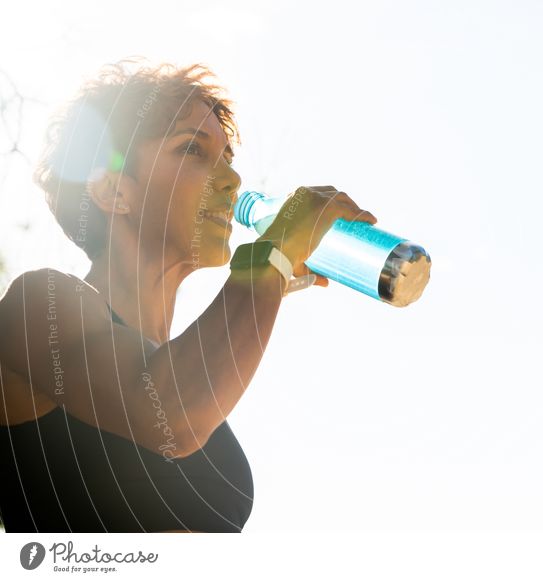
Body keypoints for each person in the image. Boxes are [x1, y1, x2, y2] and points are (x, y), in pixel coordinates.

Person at [0, 59, 376, 532]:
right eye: (193, 149)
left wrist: (271, 278)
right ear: (113, 190)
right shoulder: (39, 304)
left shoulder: (190, 366)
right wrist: (270, 262)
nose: (232, 181)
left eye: (227, 159)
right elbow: (168, 418)